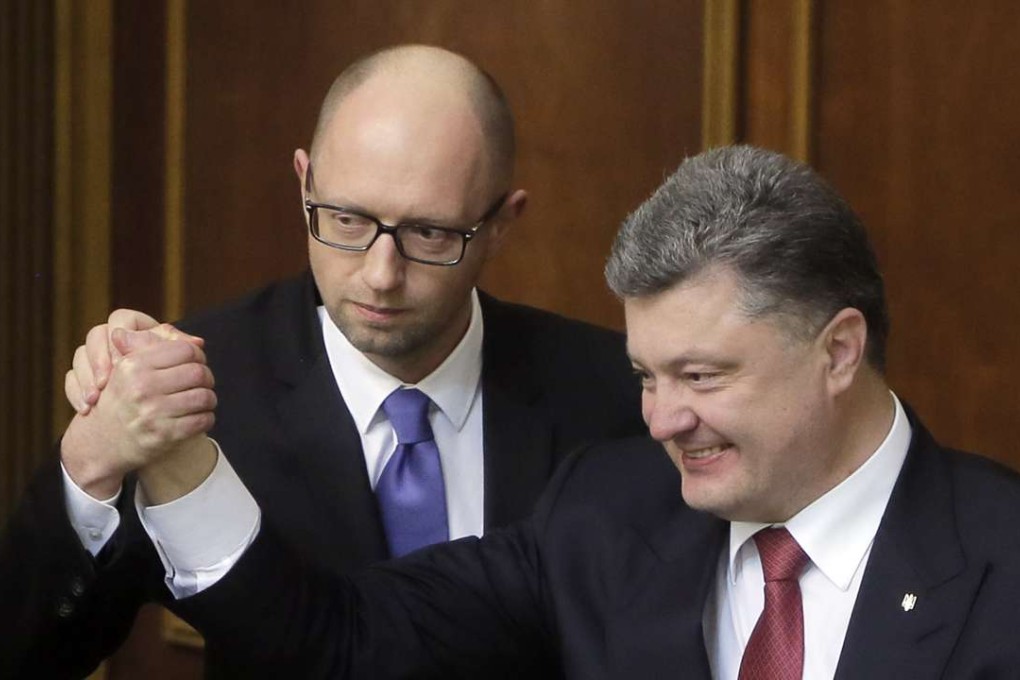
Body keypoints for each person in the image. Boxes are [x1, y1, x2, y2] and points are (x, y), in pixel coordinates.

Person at [73, 145, 1020, 678]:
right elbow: (340, 639)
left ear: (839, 351)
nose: (660, 420)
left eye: (701, 377)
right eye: (647, 377)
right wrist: (175, 456)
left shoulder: (1002, 563)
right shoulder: (605, 514)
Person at [0, 45, 644, 678]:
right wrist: (89, 465)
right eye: (345, 219)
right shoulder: (194, 390)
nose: (380, 274)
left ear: (502, 223)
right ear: (304, 181)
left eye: (429, 233)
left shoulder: (616, 395)